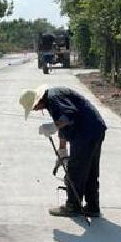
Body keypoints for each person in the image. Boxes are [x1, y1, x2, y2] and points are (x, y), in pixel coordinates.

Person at [19, 85, 107, 217]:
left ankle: (72, 207)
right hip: (95, 129)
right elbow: (64, 126)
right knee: (89, 171)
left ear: (38, 101)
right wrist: (62, 151)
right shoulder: (53, 97)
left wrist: (53, 126)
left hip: (85, 133)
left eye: (34, 108)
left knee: (75, 171)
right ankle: (92, 207)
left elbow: (68, 116)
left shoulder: (53, 99)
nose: (36, 110)